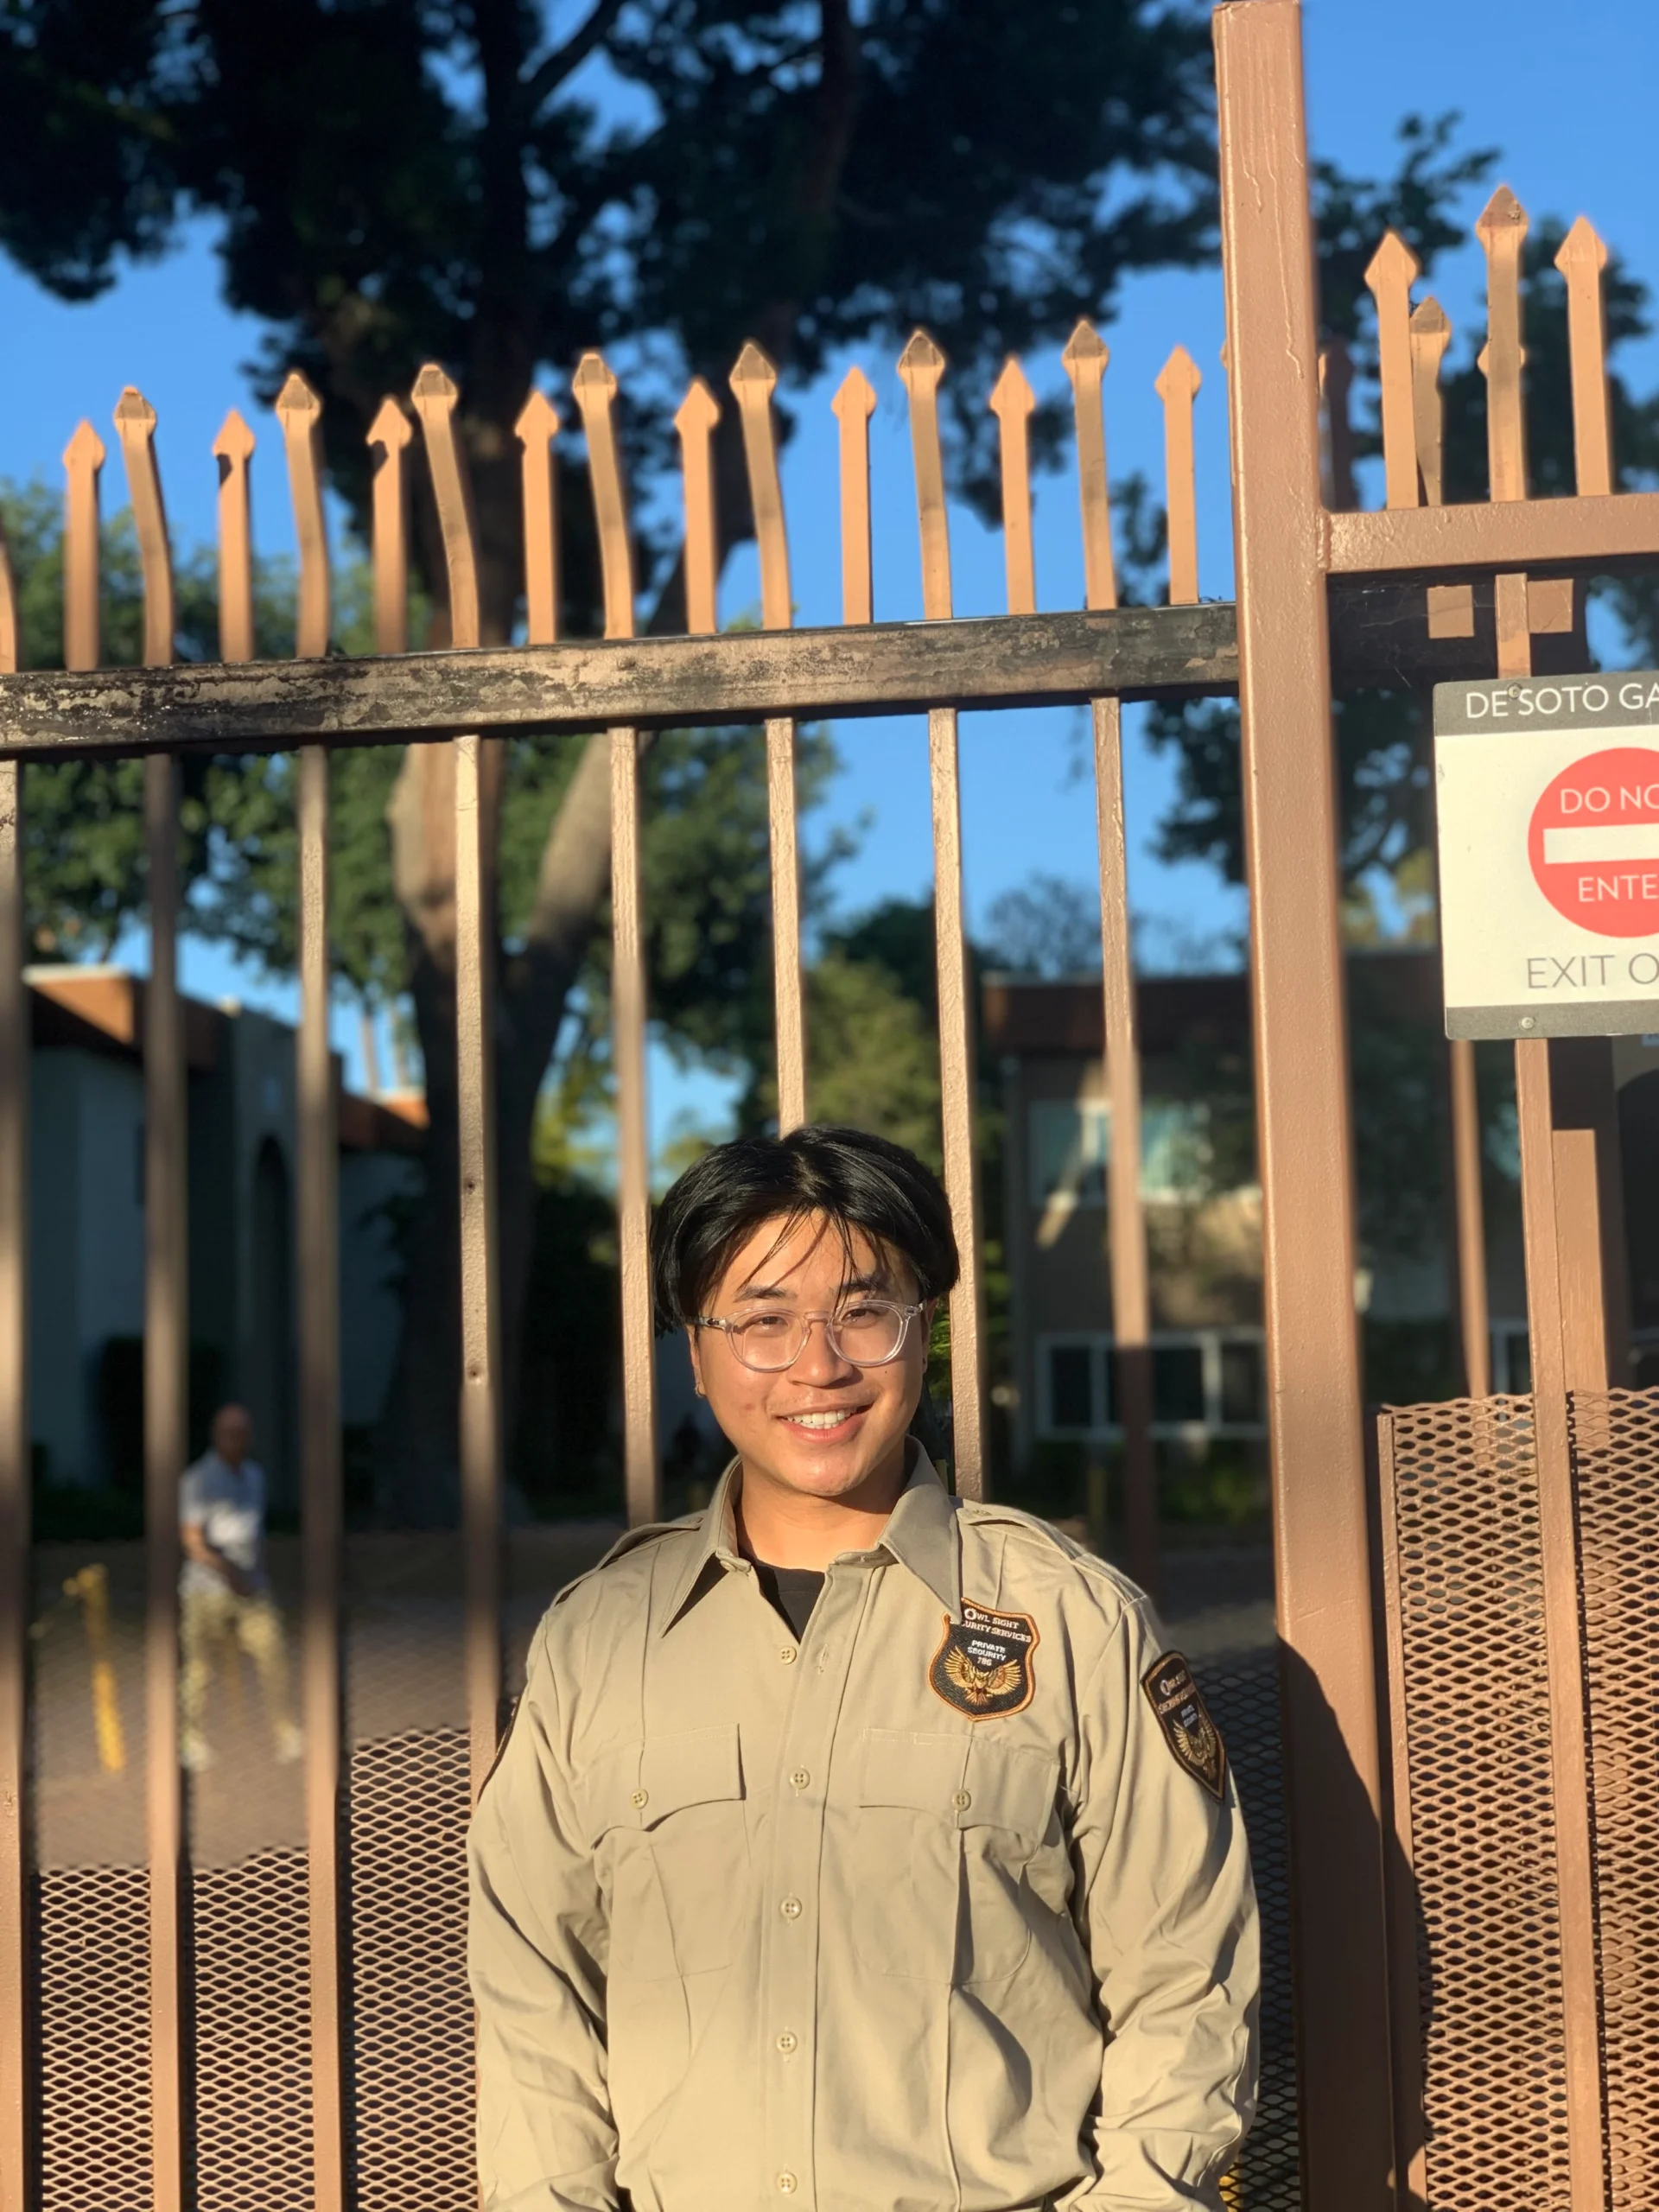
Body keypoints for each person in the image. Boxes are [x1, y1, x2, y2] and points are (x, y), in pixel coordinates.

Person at [469, 1124, 1258, 2212]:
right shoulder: (595, 1643)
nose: (818, 1365)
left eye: (862, 1311)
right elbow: (533, 2003)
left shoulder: (1072, 1621)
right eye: (763, 1321)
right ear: (695, 1355)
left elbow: (1187, 1984)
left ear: (923, 1332)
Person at [179, 1402, 302, 1771]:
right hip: (207, 1589)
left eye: (244, 1433)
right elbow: (193, 1541)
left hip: (252, 1585)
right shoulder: (199, 1479)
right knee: (200, 1669)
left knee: (272, 1655)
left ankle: (285, 1732)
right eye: (231, 1433)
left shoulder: (253, 1475)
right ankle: (192, 1739)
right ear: (217, 1436)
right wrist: (229, 1572)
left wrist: (253, 1574)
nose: (238, 1440)